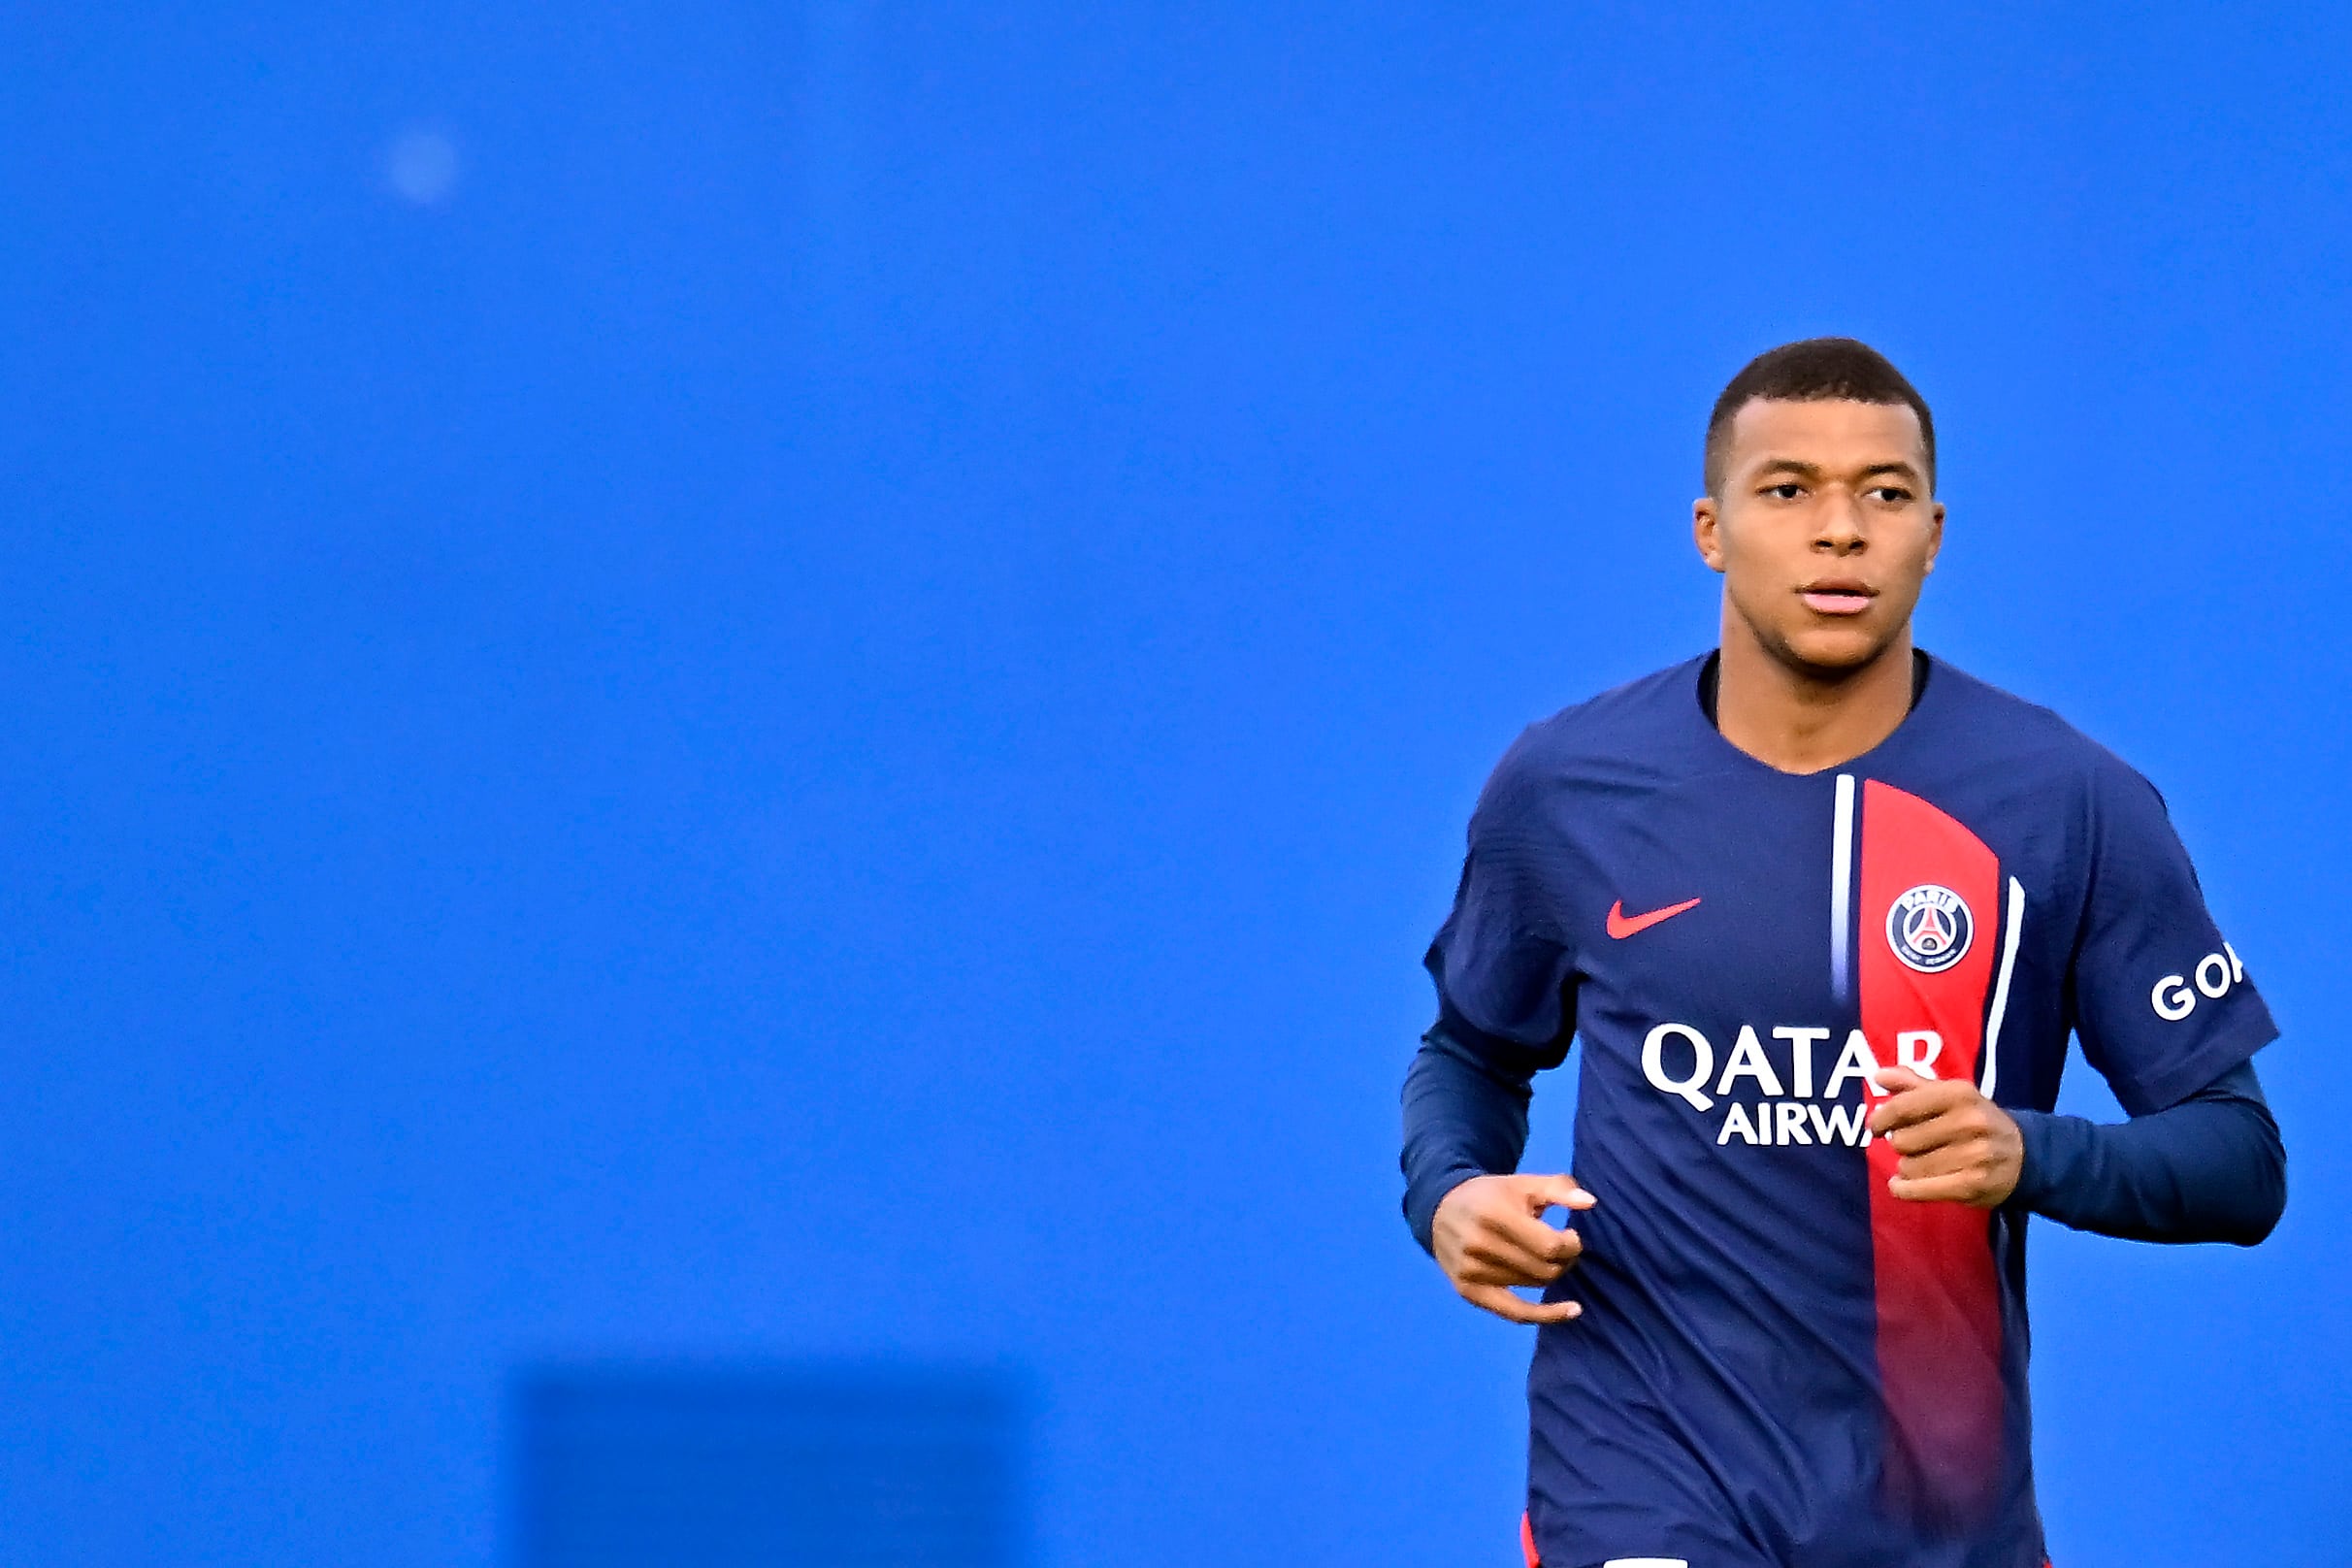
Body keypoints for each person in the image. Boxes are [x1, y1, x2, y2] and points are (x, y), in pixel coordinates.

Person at [1398, 338, 2286, 1568]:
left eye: (1882, 493)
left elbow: (2242, 1162)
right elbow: (1472, 1051)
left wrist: (2031, 1150)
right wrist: (1447, 1192)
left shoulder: (2068, 802)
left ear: (1933, 532)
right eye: (1789, 489)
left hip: (1937, 1517)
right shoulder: (1565, 788)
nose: (1840, 531)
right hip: (1640, 1471)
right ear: (1710, 528)